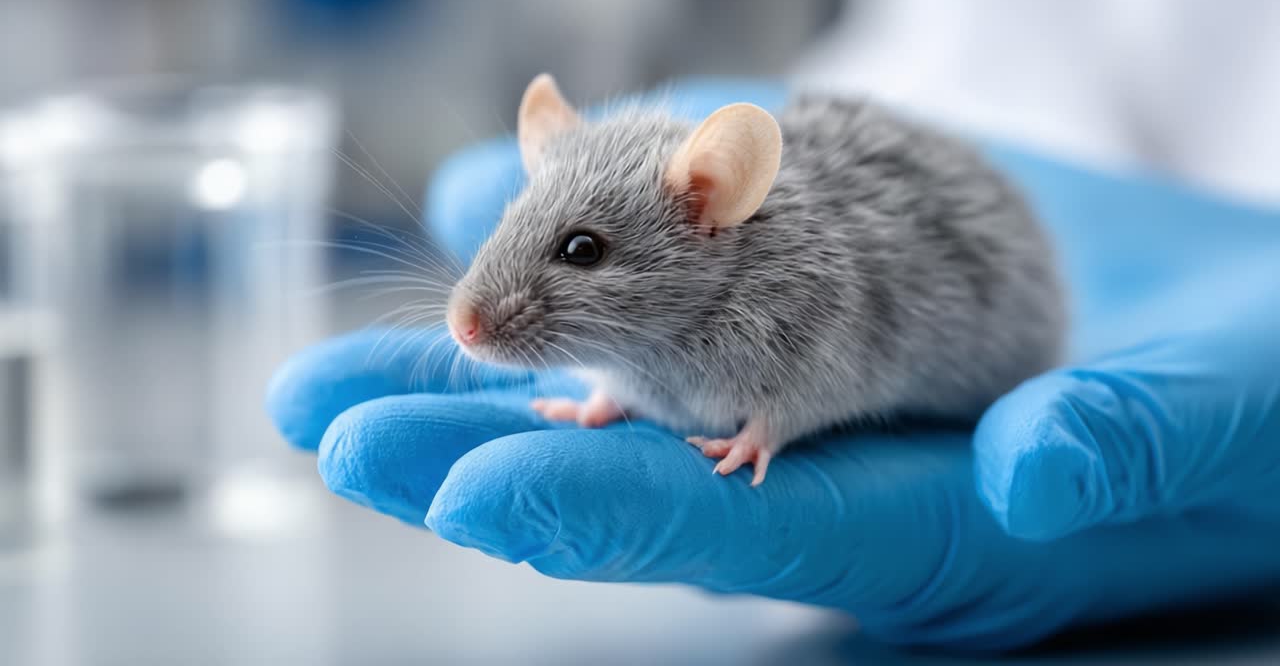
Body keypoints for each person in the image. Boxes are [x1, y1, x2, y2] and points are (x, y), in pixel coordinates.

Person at [266, 75, 1280, 650]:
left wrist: (772, 420)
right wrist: (612, 386)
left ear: (707, 207)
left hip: (996, 312)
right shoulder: (651, 268)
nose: (475, 316)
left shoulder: (792, 284)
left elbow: (852, 351)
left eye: (580, 253)